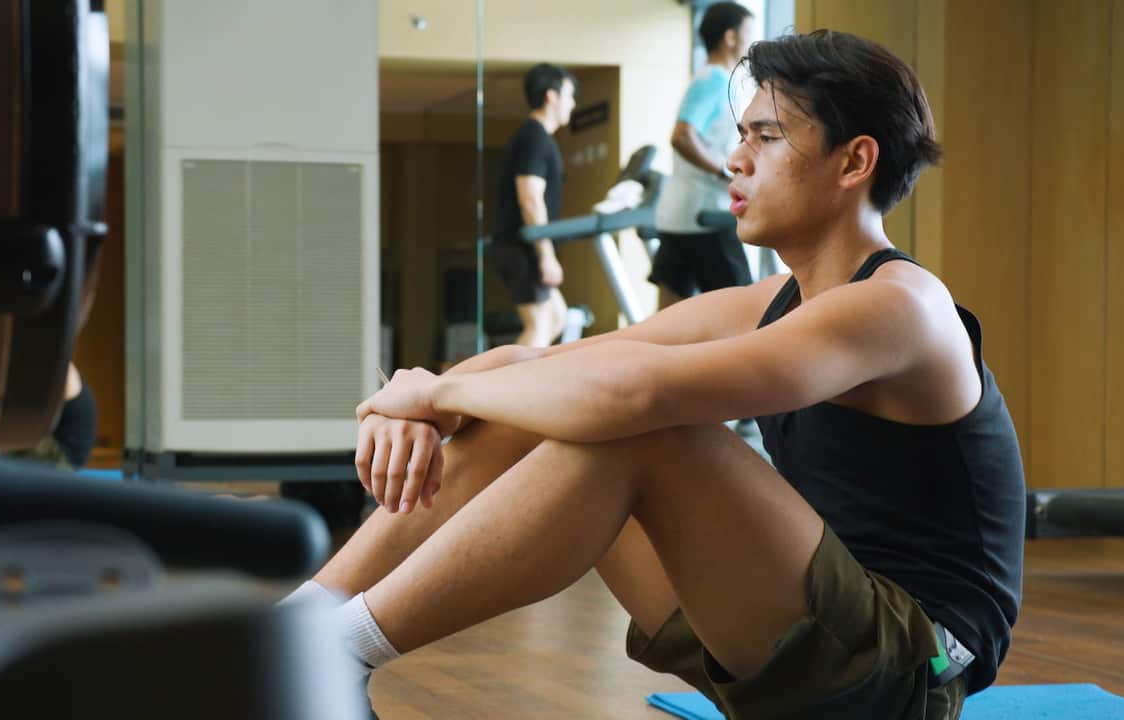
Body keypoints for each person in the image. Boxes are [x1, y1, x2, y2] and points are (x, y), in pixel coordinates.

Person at [286, 30, 1026, 719]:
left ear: (854, 161)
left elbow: (638, 395)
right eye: (741, 136)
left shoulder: (901, 307)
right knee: (549, 400)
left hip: (912, 667)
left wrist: (436, 393)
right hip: (794, 632)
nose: (735, 160)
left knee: (643, 431)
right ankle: (295, 625)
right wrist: (407, 401)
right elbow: (549, 364)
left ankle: (332, 652)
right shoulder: (772, 301)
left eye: (766, 138)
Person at [651, 2, 757, 310]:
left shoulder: (711, 80)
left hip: (680, 215)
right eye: (748, 33)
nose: (752, 42)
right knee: (745, 311)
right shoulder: (713, 81)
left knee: (668, 317)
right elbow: (682, 135)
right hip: (704, 217)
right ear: (730, 37)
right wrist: (723, 172)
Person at [487, 63, 577, 347]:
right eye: (570, 96)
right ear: (551, 96)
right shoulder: (534, 138)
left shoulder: (534, 137)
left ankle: (515, 385)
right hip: (521, 248)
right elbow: (530, 198)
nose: (572, 104)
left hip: (519, 247)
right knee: (540, 324)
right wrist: (546, 255)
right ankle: (504, 390)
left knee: (557, 318)